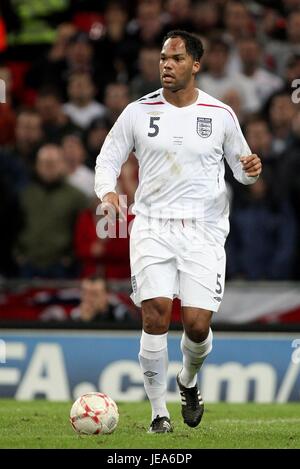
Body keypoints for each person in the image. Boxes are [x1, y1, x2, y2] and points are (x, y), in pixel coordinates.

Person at [95, 30, 262, 433]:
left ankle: (187, 379)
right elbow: (108, 157)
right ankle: (159, 414)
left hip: (203, 230)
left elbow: (241, 169)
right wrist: (108, 193)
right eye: (163, 59)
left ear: (196, 65)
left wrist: (251, 170)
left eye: (176, 58)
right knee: (155, 316)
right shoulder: (138, 111)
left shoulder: (220, 114)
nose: (167, 65)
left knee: (197, 325)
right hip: (151, 225)